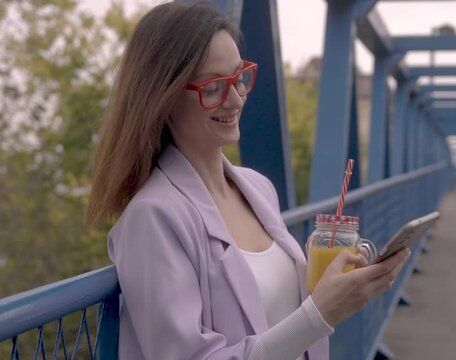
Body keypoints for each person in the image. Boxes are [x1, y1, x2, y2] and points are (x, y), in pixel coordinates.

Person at [86, 3, 409, 360]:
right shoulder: (152, 217)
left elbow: (283, 312)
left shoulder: (258, 188)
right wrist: (320, 314)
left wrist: (342, 285)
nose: (237, 98)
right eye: (213, 88)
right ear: (164, 97)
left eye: (239, 77)